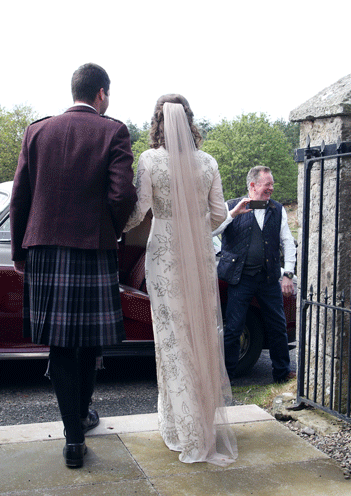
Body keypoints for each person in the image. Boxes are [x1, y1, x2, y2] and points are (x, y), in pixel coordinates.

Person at [9, 63, 137, 469]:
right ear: (101, 93)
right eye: (108, 94)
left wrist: (19, 252)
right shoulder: (113, 130)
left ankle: (74, 435)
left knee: (61, 344)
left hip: (44, 249)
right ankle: (80, 418)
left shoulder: (37, 131)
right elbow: (122, 196)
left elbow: (20, 198)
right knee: (89, 340)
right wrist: (109, 231)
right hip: (93, 247)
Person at [124, 94, 237, 466]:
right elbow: (220, 213)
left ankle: (182, 429)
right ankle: (197, 424)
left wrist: (112, 228)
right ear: (189, 121)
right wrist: (195, 231)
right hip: (199, 256)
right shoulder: (208, 163)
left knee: (171, 342)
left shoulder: (150, 160)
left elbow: (140, 209)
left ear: (157, 122)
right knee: (199, 335)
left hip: (165, 255)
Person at [213, 166, 297, 383]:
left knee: (278, 326)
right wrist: (233, 214)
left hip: (268, 277)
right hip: (240, 278)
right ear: (252, 185)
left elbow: (288, 242)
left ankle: (282, 373)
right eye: (267, 184)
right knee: (233, 328)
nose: (271, 188)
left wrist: (287, 273)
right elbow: (211, 230)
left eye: (272, 184)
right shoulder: (230, 206)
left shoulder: (277, 209)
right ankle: (227, 377)